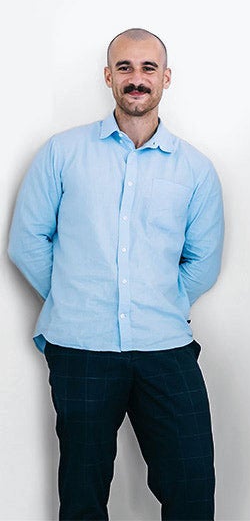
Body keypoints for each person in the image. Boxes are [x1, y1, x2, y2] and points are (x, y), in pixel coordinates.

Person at [8, 28, 224, 520]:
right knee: (83, 497)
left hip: (165, 348)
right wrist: (76, 296)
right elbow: (26, 242)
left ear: (166, 78)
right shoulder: (62, 153)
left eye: (148, 68)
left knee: (192, 489)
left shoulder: (194, 169)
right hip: (81, 348)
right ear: (108, 77)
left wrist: (156, 300)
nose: (136, 79)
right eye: (125, 68)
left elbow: (202, 261)